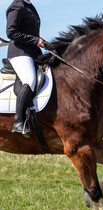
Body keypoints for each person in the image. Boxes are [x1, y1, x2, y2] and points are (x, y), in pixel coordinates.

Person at [6, 0, 45, 134]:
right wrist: (35, 40)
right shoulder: (17, 6)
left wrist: (42, 43)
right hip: (19, 53)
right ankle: (18, 122)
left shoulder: (29, 6)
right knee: (30, 80)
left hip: (32, 52)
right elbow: (11, 32)